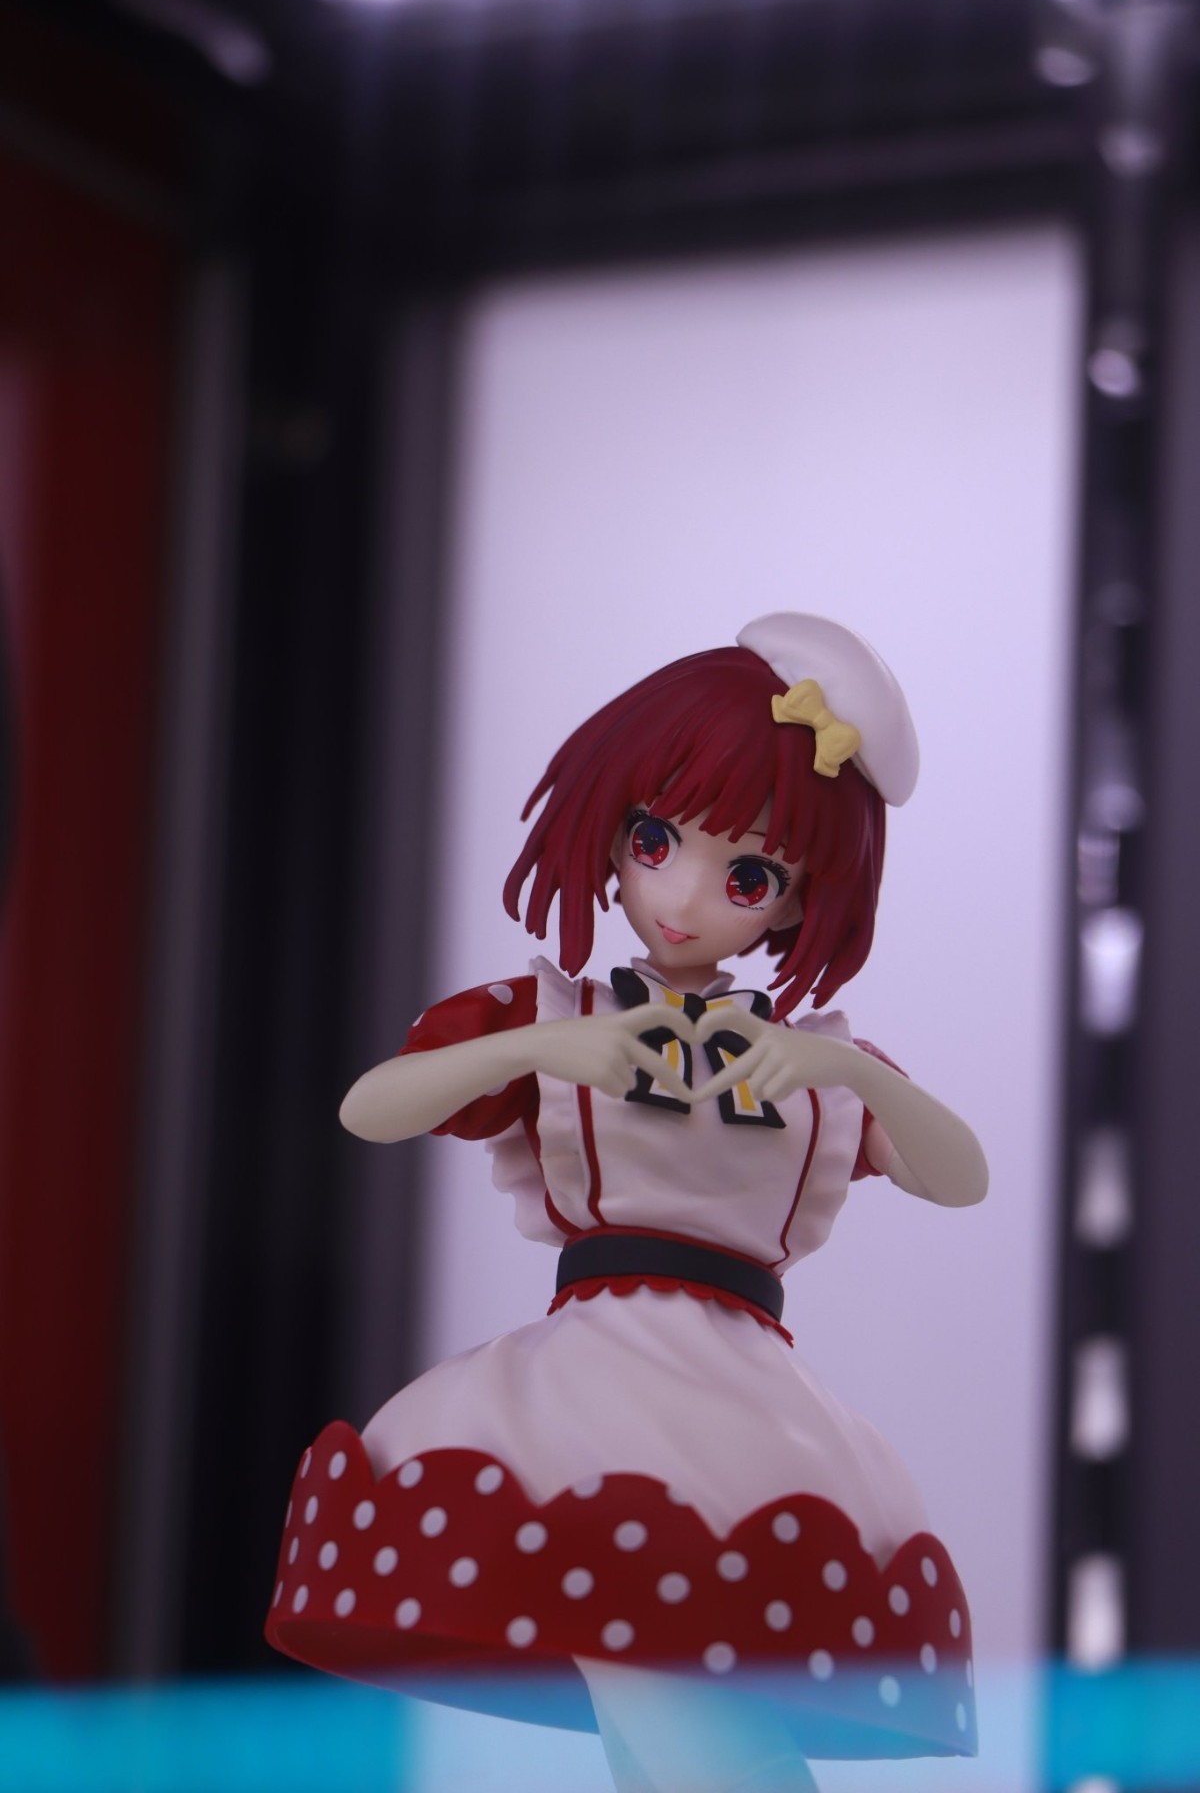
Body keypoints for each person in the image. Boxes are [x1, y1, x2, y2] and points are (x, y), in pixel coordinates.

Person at [266, 613, 988, 1793]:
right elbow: (372, 1107)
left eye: (747, 875)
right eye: (657, 840)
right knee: (639, 1686)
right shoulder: (554, 1014)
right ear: (613, 833)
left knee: (666, 1688)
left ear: (794, 902)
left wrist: (852, 1073)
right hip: (590, 1378)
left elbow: (960, 1176)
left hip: (743, 1394)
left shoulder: (814, 1064)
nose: (687, 897)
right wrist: (542, 1047)